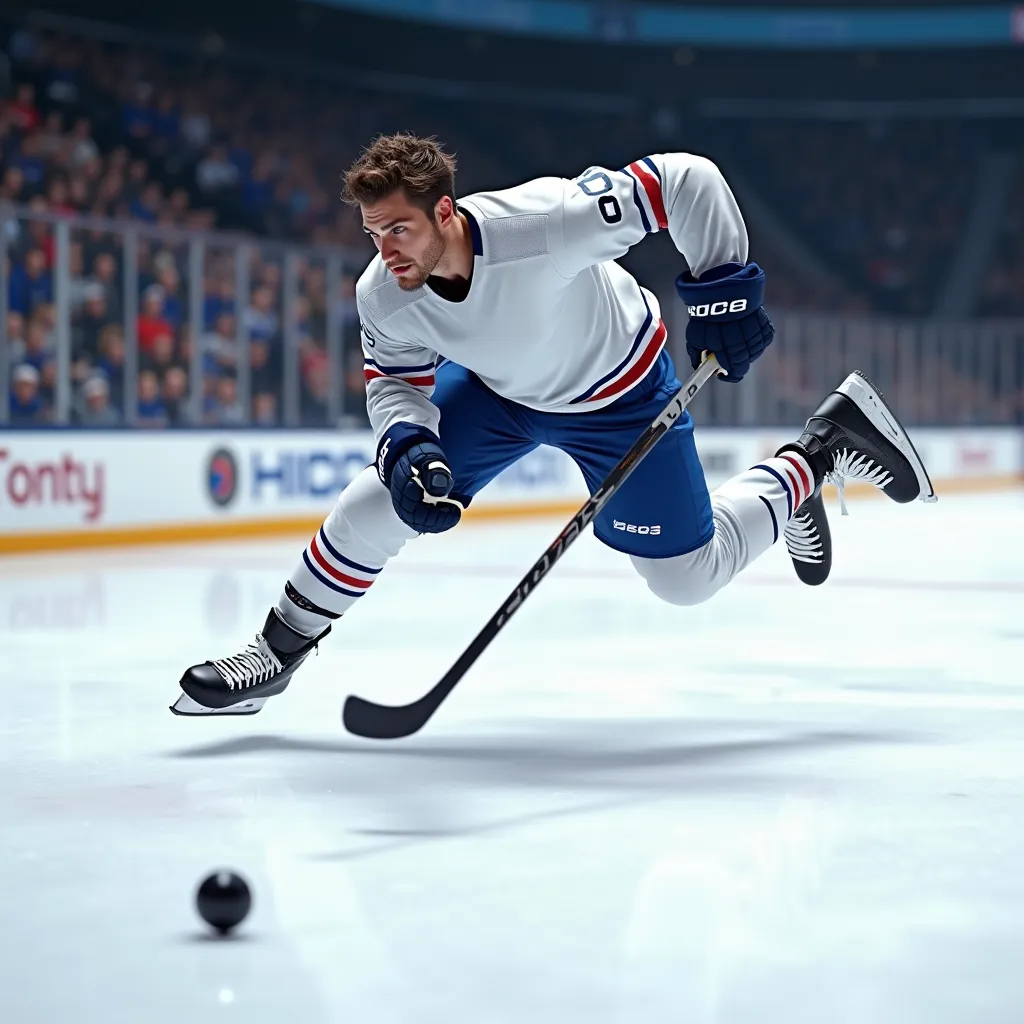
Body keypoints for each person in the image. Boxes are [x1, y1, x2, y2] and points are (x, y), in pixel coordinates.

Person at [171, 133, 935, 717]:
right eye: (373, 234)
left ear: (444, 211)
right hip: (502, 396)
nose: (385, 251)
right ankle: (275, 653)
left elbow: (685, 180)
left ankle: (815, 456)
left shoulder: (544, 222)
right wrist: (407, 445)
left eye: (398, 230)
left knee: (686, 579)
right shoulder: (385, 291)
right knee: (378, 500)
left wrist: (721, 288)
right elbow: (396, 383)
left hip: (620, 392)